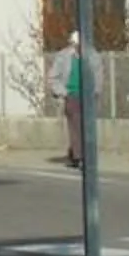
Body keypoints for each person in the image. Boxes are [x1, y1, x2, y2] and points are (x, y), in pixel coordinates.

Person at [48, 39, 84, 167]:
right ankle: (78, 156)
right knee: (75, 125)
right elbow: (53, 77)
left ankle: (76, 153)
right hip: (72, 94)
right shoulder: (64, 56)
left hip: (87, 96)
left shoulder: (90, 56)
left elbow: (98, 74)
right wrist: (63, 92)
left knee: (85, 126)